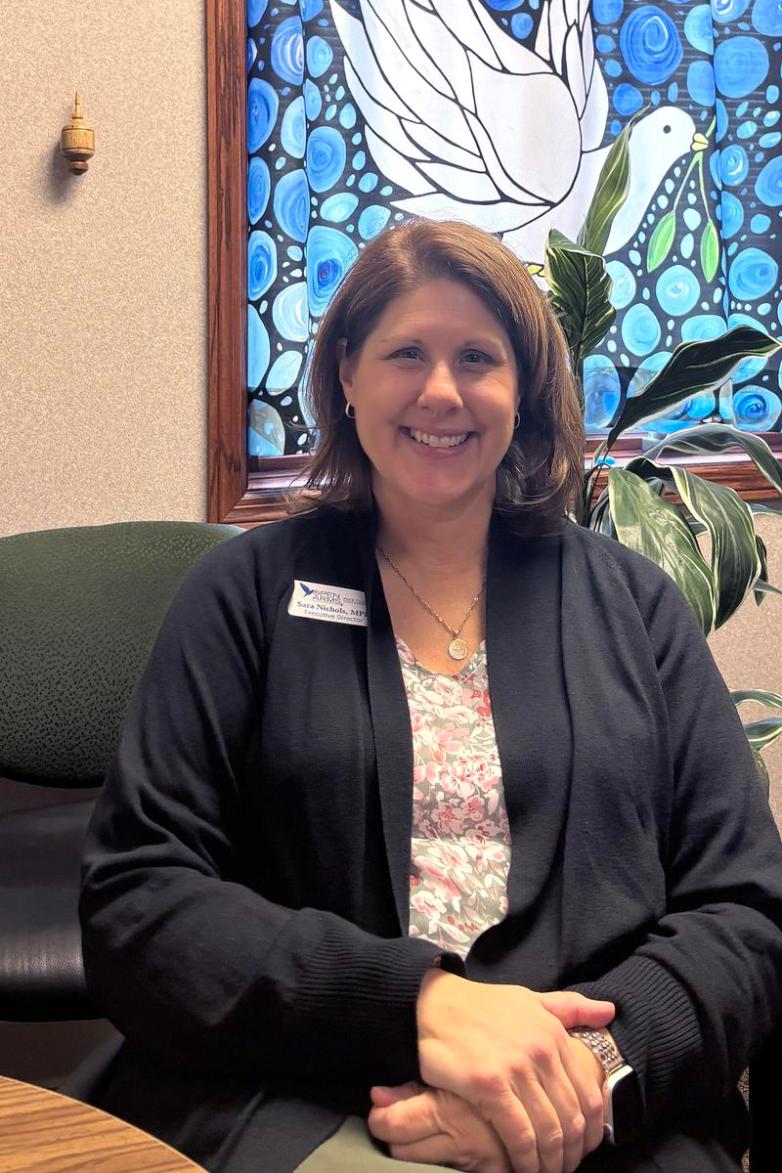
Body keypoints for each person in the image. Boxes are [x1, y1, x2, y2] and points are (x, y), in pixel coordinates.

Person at [79, 219, 782, 1173]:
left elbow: (744, 909)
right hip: (306, 1088)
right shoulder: (243, 595)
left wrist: (587, 1073)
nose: (441, 391)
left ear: (524, 390)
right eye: (405, 352)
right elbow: (139, 898)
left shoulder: (635, 607)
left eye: (477, 358)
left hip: (599, 1111)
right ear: (345, 377)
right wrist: (414, 1006)